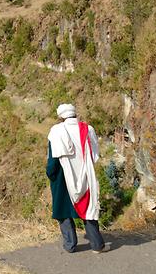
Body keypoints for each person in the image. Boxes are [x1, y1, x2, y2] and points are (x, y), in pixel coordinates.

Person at [46, 103, 109, 253]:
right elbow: (94, 154)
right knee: (88, 207)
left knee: (64, 210)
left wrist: (51, 174)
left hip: (62, 175)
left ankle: (70, 245)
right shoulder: (88, 129)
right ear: (75, 114)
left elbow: (52, 159)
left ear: (60, 116)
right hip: (85, 173)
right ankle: (97, 245)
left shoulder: (56, 131)